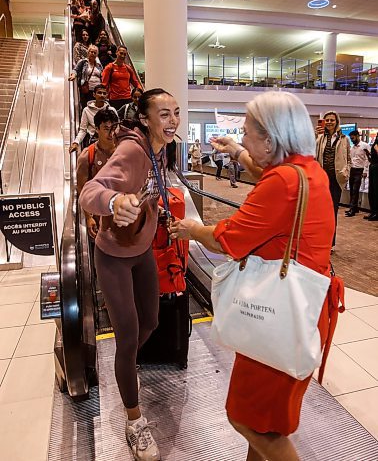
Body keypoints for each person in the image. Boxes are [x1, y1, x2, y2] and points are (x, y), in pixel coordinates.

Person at [170, 91, 334, 461]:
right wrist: (236, 152)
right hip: (301, 309)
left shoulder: (283, 185)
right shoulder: (308, 171)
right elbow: (269, 171)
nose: (242, 138)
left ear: (270, 140)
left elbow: (227, 240)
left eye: (246, 133)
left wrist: (192, 229)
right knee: (266, 421)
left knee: (249, 421)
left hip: (278, 314)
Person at [79, 88, 180, 461]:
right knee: (127, 335)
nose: (172, 121)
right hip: (114, 256)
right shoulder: (133, 150)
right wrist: (113, 201)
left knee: (150, 322)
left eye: (176, 113)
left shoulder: (161, 149)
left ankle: (125, 365)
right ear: (144, 118)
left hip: (143, 252)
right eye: (164, 114)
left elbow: (154, 191)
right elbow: (90, 190)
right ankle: (133, 420)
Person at [76, 108, 117, 237]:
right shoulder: (88, 156)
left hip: (123, 216)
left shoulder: (125, 152)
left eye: (114, 128)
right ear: (96, 129)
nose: (111, 133)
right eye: (106, 128)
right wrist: (88, 217)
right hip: (100, 218)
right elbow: (81, 188)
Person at [315, 110, 350, 251]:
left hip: (336, 179)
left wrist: (345, 172)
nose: (329, 122)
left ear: (337, 122)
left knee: (332, 211)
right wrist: (316, 136)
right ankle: (319, 240)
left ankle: (330, 243)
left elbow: (348, 159)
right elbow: (312, 153)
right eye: (327, 120)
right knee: (319, 211)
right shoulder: (320, 137)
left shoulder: (344, 139)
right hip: (322, 179)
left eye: (332, 120)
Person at [69, 84, 118, 152]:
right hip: (94, 141)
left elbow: (117, 127)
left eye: (104, 93)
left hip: (110, 141)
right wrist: (76, 142)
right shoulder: (86, 110)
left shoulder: (111, 110)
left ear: (107, 95)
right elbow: (83, 130)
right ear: (94, 94)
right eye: (99, 93)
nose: (102, 95)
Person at [102, 45, 142, 111]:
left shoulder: (128, 68)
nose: (122, 56)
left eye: (124, 54)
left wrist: (142, 93)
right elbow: (104, 84)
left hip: (128, 99)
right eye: (121, 53)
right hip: (114, 100)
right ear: (116, 53)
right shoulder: (109, 67)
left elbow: (136, 83)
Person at [69, 45, 103, 109]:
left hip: (97, 90)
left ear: (97, 55)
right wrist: (73, 75)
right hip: (87, 89)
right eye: (91, 52)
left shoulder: (99, 65)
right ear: (88, 52)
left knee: (97, 107)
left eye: (95, 53)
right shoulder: (83, 62)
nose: (93, 54)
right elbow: (75, 70)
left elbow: (102, 75)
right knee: (87, 106)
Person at [345, 130, 370, 217]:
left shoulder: (365, 146)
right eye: (351, 139)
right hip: (352, 170)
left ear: (357, 136)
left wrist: (365, 171)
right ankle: (354, 208)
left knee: (355, 190)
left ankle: (353, 209)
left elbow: (368, 159)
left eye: (353, 138)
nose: (352, 140)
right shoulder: (352, 148)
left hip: (360, 170)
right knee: (351, 189)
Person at [365, 133, 378, 221]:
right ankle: (373, 211)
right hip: (373, 166)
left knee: (376, 191)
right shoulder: (375, 143)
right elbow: (372, 158)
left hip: (377, 168)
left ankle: (376, 213)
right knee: (372, 191)